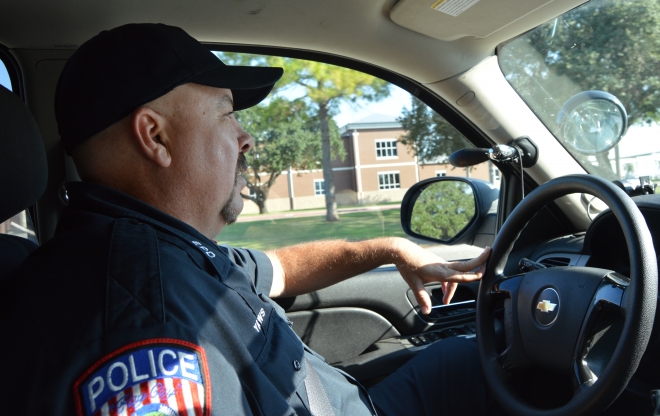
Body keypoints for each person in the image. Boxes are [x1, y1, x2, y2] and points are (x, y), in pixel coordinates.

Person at [0, 23, 490, 415]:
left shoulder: (166, 248)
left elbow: (278, 267)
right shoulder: (145, 326)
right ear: (155, 137)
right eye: (225, 113)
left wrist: (390, 249)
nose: (245, 137)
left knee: (473, 361)